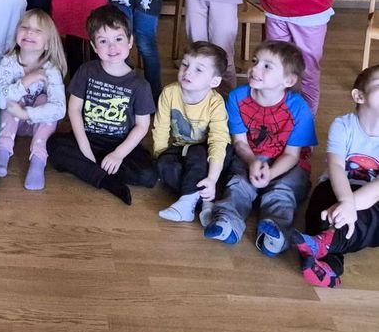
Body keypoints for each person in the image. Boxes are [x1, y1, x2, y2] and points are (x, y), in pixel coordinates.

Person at [204, 40, 316, 254]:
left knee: (283, 192)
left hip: (288, 164)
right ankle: (227, 222)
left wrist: (271, 173)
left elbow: (292, 155)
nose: (254, 68)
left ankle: (275, 231)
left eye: (267, 66)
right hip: (250, 157)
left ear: (288, 80)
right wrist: (253, 162)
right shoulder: (237, 97)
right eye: (255, 61)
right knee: (238, 184)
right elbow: (239, 142)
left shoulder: (299, 107)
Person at [47, 4, 157, 205]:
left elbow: (142, 126)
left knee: (148, 175)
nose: (112, 47)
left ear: (130, 41)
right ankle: (107, 180)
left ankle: (92, 171)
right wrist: (84, 145)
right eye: (103, 41)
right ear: (94, 47)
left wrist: (118, 154)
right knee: (53, 145)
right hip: (89, 138)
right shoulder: (86, 71)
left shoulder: (140, 84)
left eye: (118, 39)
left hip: (120, 143)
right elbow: (74, 109)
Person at [292, 65, 379, 288]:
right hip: (339, 187)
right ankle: (330, 268)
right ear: (359, 96)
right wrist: (345, 201)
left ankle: (325, 242)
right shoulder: (343, 125)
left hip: (372, 196)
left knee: (369, 217)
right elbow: (336, 167)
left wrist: (351, 205)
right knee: (321, 208)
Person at [153, 41, 230, 223]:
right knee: (164, 165)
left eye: (198, 70)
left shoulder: (216, 103)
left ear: (214, 81)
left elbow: (218, 141)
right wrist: (158, 158)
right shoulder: (169, 93)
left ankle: (188, 203)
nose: (187, 72)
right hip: (180, 148)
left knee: (197, 153)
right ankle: (205, 200)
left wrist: (212, 177)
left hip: (208, 154)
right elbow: (161, 128)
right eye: (186, 64)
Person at [0, 9, 67, 191]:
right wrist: (27, 80)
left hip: (37, 122)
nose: (29, 32)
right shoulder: (8, 62)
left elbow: (60, 109)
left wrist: (27, 113)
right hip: (13, 123)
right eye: (25, 27)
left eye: (38, 31)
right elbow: (2, 101)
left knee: (44, 99)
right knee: (11, 102)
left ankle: (38, 161)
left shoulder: (51, 70)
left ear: (48, 44)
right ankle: (2, 153)